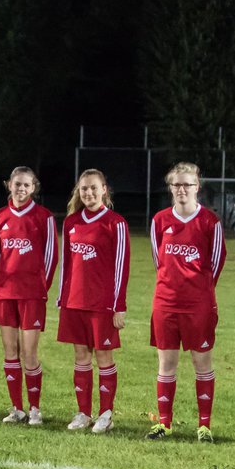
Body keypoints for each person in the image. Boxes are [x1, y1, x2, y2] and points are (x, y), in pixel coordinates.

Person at [148, 162, 226, 443]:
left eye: (187, 185)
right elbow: (159, 262)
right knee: (166, 364)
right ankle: (165, 423)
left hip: (199, 305)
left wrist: (198, 290)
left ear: (197, 187)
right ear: (170, 188)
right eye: (177, 185)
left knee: (202, 363)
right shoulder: (159, 220)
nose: (182, 190)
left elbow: (215, 265)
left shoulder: (210, 222)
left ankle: (204, 425)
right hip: (165, 303)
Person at [56, 169, 129, 434]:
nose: (88, 193)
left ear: (104, 190)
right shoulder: (71, 222)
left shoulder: (115, 223)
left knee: (103, 356)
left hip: (102, 305)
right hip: (75, 301)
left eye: (93, 188)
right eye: (84, 189)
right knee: (80, 356)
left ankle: (106, 414)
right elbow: (66, 263)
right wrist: (62, 297)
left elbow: (122, 266)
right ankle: (83, 413)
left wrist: (118, 305)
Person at [0, 167, 57, 426]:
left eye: (26, 185)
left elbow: (51, 257)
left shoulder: (44, 217)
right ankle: (16, 408)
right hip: (5, 294)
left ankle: (34, 409)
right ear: (9, 184)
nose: (20, 189)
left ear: (33, 188)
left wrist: (42, 289)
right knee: (10, 351)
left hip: (32, 295)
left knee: (29, 352)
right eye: (17, 184)